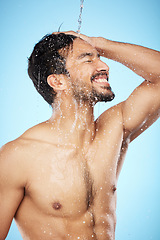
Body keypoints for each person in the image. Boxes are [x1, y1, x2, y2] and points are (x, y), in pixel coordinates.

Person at [0, 31, 160, 240]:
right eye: (88, 59)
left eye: (100, 57)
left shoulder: (114, 129)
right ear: (58, 82)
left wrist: (99, 43)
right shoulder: (17, 156)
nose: (104, 66)